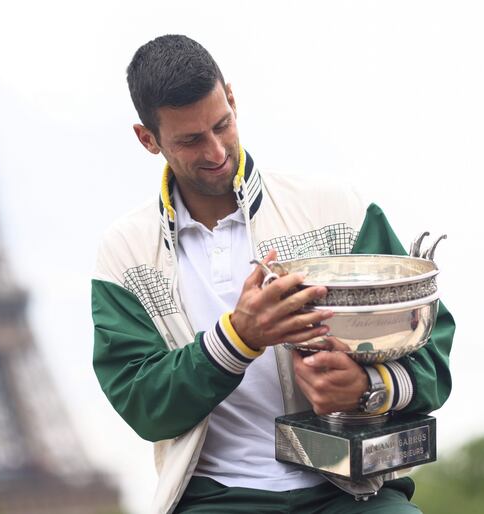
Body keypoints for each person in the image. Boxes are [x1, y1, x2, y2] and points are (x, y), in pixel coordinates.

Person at [91, 34, 455, 514]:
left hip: (348, 491)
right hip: (214, 498)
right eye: (191, 140)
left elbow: (434, 359)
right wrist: (237, 339)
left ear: (233, 99)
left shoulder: (336, 209)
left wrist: (369, 388)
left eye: (222, 124)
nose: (217, 150)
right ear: (148, 139)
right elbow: (143, 405)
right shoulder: (124, 252)